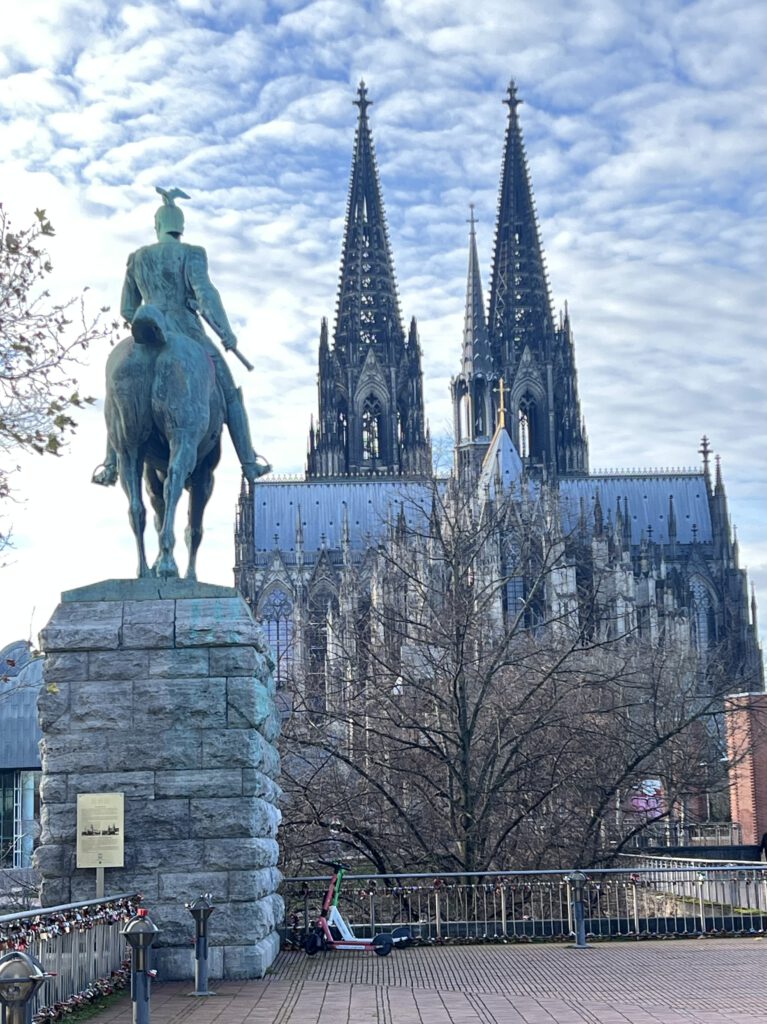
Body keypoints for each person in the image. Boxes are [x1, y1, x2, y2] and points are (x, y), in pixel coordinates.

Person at [92, 187, 269, 486]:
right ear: (180, 227)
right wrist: (227, 333)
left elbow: (127, 308)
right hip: (187, 331)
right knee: (230, 395)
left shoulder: (137, 258)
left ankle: (110, 464)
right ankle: (249, 463)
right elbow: (207, 294)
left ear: (157, 226)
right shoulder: (192, 254)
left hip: (148, 329)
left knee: (116, 397)